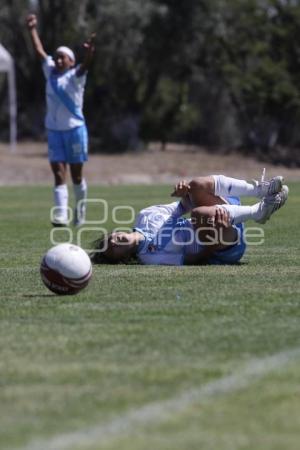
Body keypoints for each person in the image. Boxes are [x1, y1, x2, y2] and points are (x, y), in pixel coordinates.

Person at [91, 172, 289, 265]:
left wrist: (183, 192)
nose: (115, 241)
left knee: (196, 185)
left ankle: (260, 190)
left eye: (111, 239)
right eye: (114, 249)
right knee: (198, 215)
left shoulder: (145, 215)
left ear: (115, 232)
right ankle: (259, 211)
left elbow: (183, 206)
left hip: (219, 216)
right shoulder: (148, 256)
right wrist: (213, 243)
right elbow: (190, 259)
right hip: (222, 245)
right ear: (123, 259)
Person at [26, 13, 95, 226]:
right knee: (58, 173)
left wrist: (90, 52)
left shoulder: (76, 76)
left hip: (75, 130)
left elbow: (85, 66)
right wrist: (32, 29)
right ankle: (61, 215)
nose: (57, 60)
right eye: (56, 56)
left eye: (62, 57)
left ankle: (80, 210)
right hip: (54, 130)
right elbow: (39, 52)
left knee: (76, 175)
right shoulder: (50, 71)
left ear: (71, 61)